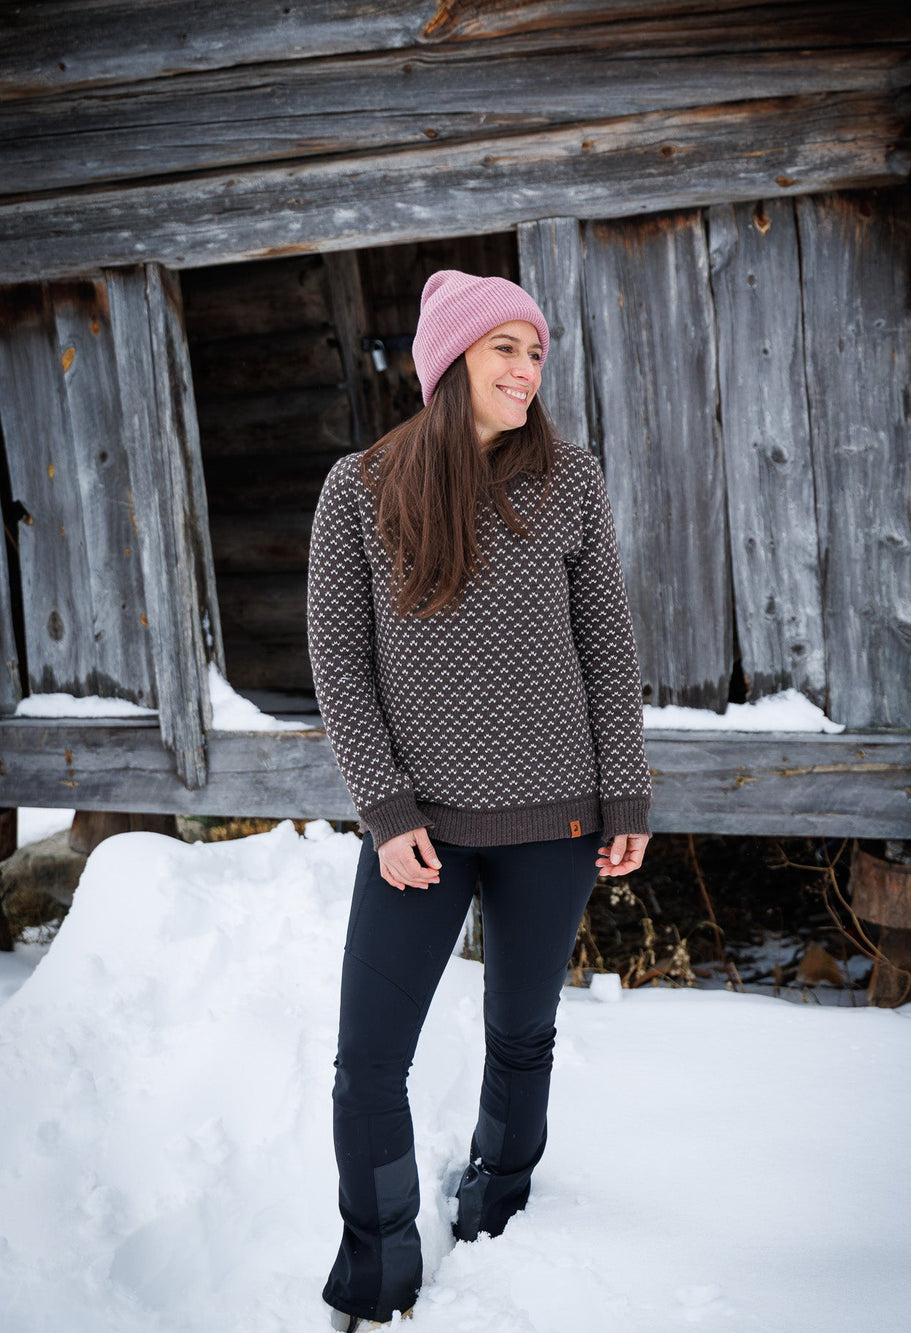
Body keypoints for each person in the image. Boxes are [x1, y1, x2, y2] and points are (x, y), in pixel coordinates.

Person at [306, 269, 651, 1332]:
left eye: (535, 351)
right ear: (449, 359)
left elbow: (607, 648)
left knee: (521, 1033)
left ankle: (498, 1209)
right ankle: (378, 1269)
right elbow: (340, 665)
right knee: (369, 1061)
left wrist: (625, 792)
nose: (526, 368)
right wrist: (386, 808)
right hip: (420, 831)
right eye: (504, 346)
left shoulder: (570, 479)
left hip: (556, 819)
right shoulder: (361, 488)